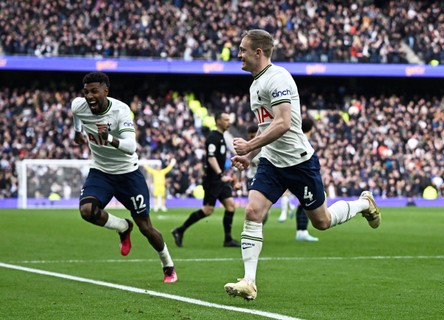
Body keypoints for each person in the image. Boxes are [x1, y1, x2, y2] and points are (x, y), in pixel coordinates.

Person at [224, 29, 381, 300]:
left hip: (299, 163)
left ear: (258, 52)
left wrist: (249, 145)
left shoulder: (279, 77)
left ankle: (364, 203)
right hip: (272, 163)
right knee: (252, 212)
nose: (239, 54)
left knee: (322, 221)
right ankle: (249, 281)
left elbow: (283, 123)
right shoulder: (254, 85)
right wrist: (252, 156)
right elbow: (267, 127)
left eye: (242, 49)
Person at [71, 71, 177, 283]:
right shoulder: (78, 106)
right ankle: (122, 226)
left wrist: (109, 137)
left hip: (128, 174)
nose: (89, 96)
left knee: (146, 227)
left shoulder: (120, 111)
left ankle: (168, 266)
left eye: (94, 91)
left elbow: (131, 146)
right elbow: (77, 117)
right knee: (86, 210)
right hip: (100, 171)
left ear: (105, 91)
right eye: (86, 92)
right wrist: (77, 133)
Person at [171, 111, 241, 248]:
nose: (229, 122)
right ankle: (179, 230)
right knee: (208, 210)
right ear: (218, 121)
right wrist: (221, 175)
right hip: (213, 180)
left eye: (229, 119)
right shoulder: (213, 138)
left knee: (231, 206)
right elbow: (211, 158)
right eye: (225, 119)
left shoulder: (221, 137)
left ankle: (228, 239)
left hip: (220, 180)